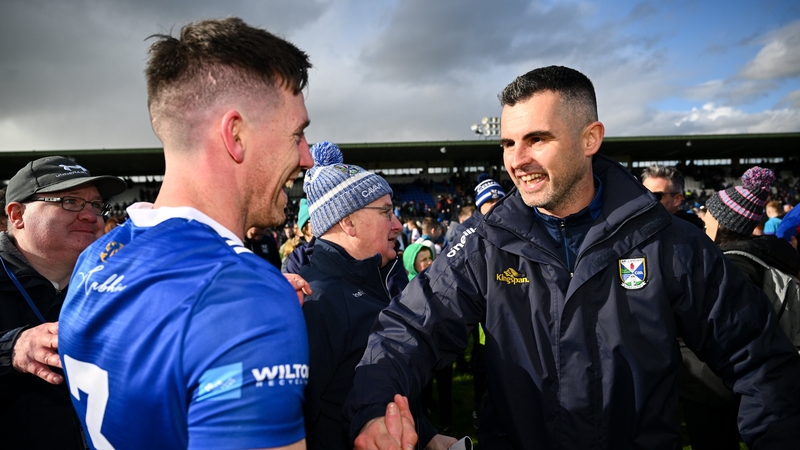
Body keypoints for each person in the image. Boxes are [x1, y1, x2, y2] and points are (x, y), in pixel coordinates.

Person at [344, 66, 800, 450]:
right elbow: (409, 329)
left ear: (590, 139)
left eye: (536, 139)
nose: (516, 160)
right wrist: (375, 410)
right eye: (507, 143)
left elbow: (759, 359)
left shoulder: (669, 243)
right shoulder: (485, 243)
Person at [59, 18, 314, 450]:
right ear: (235, 135)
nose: (307, 158)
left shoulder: (97, 257)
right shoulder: (244, 298)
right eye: (297, 134)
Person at [299, 142, 440, 449]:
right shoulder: (317, 302)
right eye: (386, 212)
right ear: (347, 221)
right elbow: (299, 421)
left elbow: (381, 388)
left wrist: (427, 437)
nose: (397, 224)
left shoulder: (370, 280)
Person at [1, 156, 126, 449]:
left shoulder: (114, 283)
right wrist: (12, 350)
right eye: (69, 201)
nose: (91, 216)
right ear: (17, 215)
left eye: (96, 205)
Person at [678, 166, 800, 450]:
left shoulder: (731, 267)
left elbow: (728, 331)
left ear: (722, 221)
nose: (703, 218)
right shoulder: (771, 251)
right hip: (767, 372)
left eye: (708, 213)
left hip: (718, 384)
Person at [641, 164, 704, 229]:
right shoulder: (635, 228)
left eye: (656, 196)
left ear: (677, 199)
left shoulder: (691, 233)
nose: (648, 200)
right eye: (643, 194)